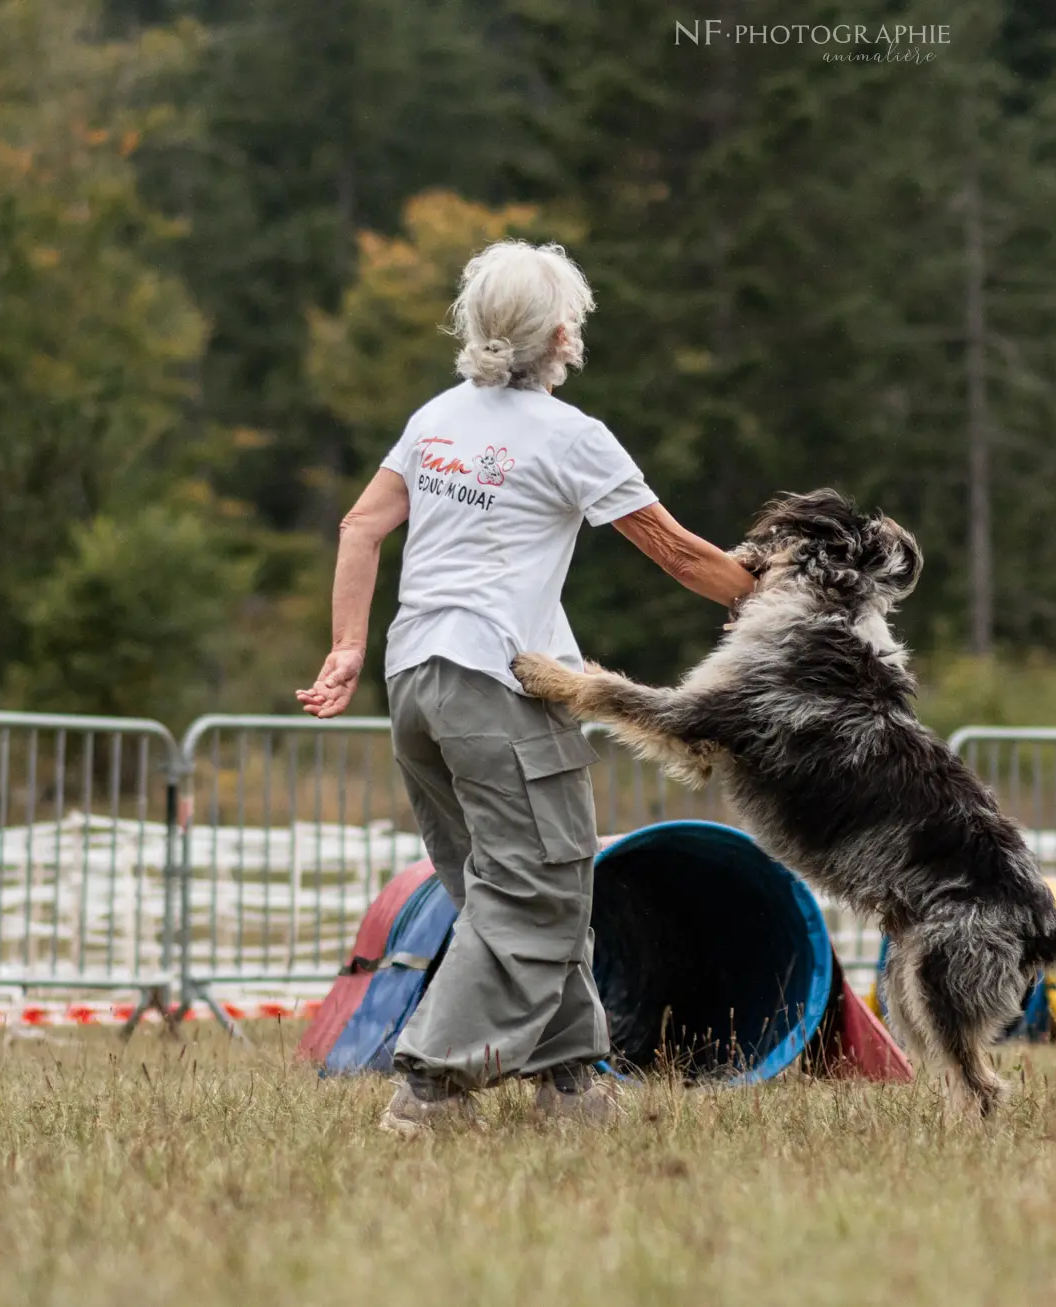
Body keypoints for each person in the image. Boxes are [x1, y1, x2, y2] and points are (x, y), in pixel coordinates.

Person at [296, 239, 753, 1134]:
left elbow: (359, 526)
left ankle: (571, 1083)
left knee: (508, 887)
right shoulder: (571, 436)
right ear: (556, 334)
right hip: (496, 684)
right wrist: (778, 596)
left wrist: (347, 647)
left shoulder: (436, 418)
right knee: (538, 886)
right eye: (573, 314)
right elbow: (681, 554)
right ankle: (429, 1085)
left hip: (414, 680)